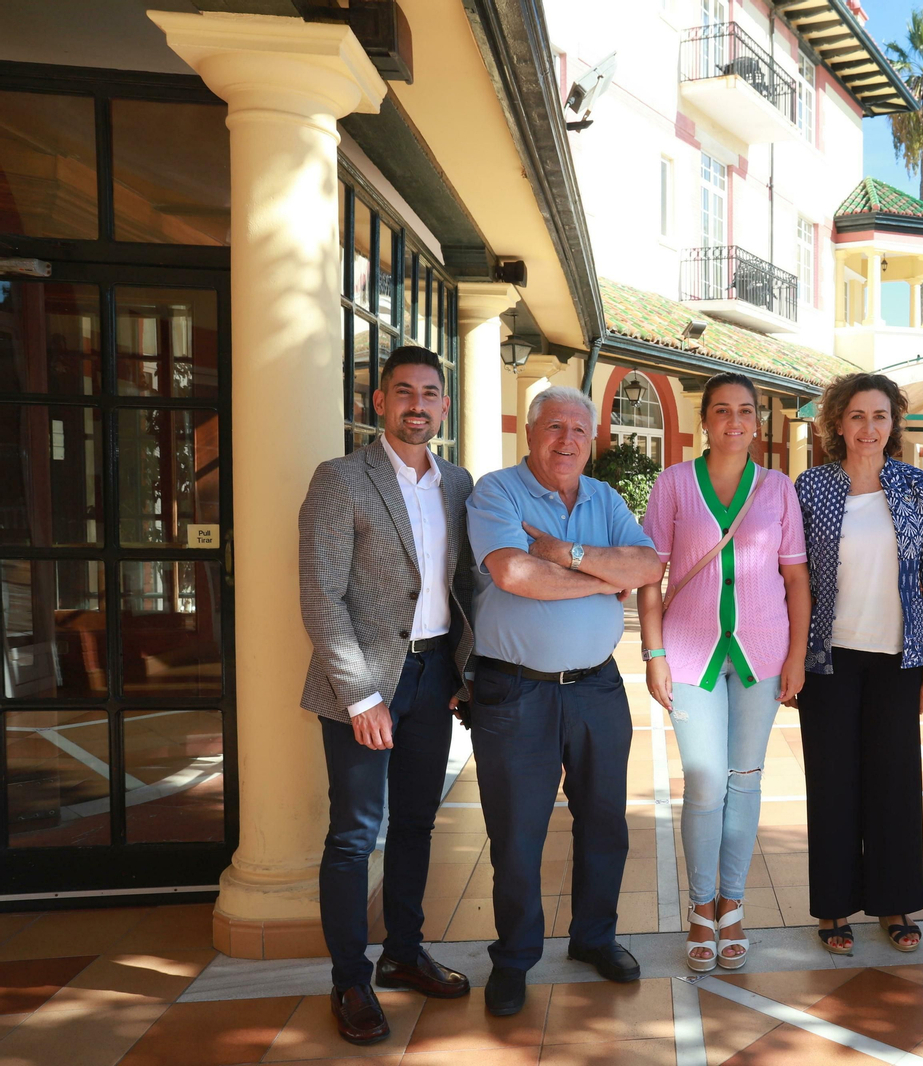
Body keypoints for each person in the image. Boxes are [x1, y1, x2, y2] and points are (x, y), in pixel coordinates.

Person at [464, 386, 664, 1016]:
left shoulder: (603, 497)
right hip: (513, 689)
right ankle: (516, 956)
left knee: (605, 822)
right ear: (531, 433)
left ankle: (594, 939)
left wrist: (558, 552)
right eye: (555, 428)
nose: (568, 440)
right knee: (517, 833)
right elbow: (511, 575)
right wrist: (602, 580)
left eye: (580, 430)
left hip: (597, 688)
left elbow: (648, 566)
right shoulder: (497, 492)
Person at [298, 345, 475, 1046]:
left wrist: (465, 673)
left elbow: (466, 588)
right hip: (364, 687)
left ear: (444, 406)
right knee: (352, 835)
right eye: (404, 392)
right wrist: (362, 697)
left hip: (433, 678)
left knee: (416, 824)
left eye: (430, 394)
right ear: (379, 403)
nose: (417, 406)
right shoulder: (341, 479)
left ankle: (405, 950)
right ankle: (350, 978)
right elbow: (320, 595)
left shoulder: (458, 484)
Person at [638, 373, 810, 971]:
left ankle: (732, 903)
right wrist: (655, 655)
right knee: (705, 782)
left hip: (762, 654)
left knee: (746, 780)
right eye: (721, 411)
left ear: (758, 421)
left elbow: (795, 579)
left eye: (744, 411)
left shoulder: (778, 489)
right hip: (691, 655)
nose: (733, 421)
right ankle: (700, 906)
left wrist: (795, 657)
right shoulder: (674, 484)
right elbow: (650, 577)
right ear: (703, 421)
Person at [794, 372, 923, 955]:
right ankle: (833, 907)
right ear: (839, 423)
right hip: (827, 662)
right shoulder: (810, 487)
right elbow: (793, 579)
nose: (870, 428)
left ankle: (894, 902)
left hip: (899, 659)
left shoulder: (915, 486)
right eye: (858, 416)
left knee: (893, 783)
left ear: (894, 425)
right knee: (833, 783)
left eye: (881, 416)